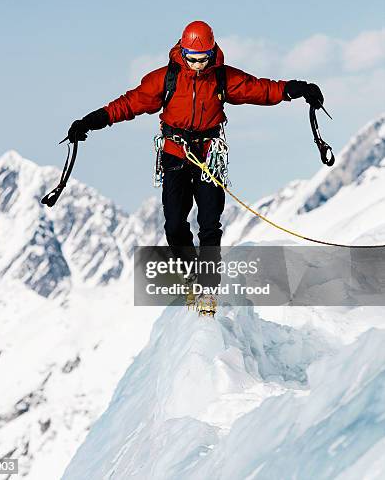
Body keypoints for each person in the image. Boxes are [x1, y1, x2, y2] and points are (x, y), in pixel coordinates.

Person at [67, 21, 324, 311]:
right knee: (175, 225)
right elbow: (129, 104)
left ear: (212, 53)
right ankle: (191, 275)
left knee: (209, 224)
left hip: (209, 156)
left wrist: (297, 89)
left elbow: (260, 89)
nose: (199, 65)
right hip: (176, 156)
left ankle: (207, 288)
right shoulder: (164, 79)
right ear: (182, 52)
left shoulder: (222, 79)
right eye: (193, 59)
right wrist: (91, 121)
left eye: (204, 59)